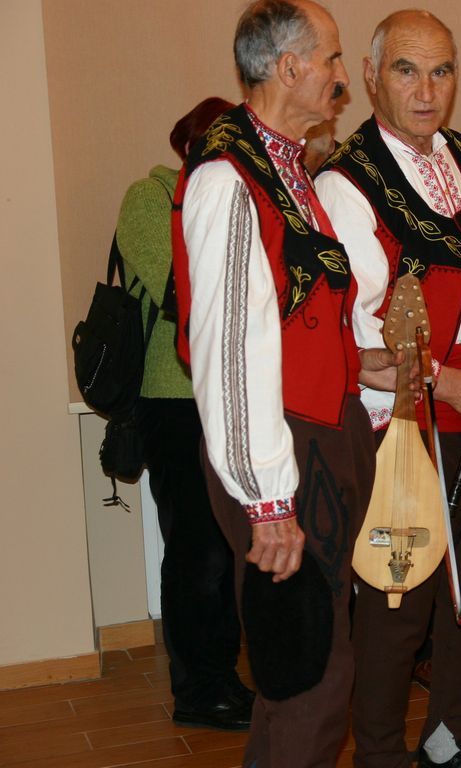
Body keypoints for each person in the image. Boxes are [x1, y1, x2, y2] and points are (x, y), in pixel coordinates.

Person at [314, 10, 461, 768]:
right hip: (405, 417)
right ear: (370, 78)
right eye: (407, 70)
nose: (427, 90)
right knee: (398, 598)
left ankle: (447, 740)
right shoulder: (346, 183)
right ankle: (378, 754)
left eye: (442, 71)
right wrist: (449, 383)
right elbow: (357, 335)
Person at [172, 2, 378, 765]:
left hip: (322, 431)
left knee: (299, 665)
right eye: (332, 60)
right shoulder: (228, 177)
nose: (341, 79)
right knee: (315, 674)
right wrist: (267, 501)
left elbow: (300, 320)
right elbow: (229, 352)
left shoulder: (287, 170)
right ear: (288, 68)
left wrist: (371, 366)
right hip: (284, 448)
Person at [118, 97, 254, 731]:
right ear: (190, 147)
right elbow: (185, 293)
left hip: (235, 399)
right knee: (197, 551)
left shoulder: (245, 204)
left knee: (232, 549)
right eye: (217, 147)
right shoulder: (150, 199)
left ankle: (225, 677)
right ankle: (199, 690)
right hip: (175, 401)